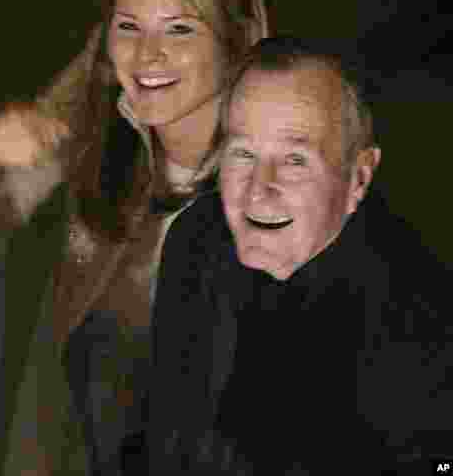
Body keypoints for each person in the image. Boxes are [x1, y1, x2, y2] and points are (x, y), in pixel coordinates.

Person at [0, 0, 270, 475]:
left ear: (235, 39)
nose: (149, 55)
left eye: (181, 29)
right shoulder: (93, 147)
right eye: (129, 27)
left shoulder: (276, 182)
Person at [146, 36, 453, 474]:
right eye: (243, 154)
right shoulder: (197, 240)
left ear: (358, 178)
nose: (257, 190)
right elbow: (166, 429)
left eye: (294, 160)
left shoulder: (425, 328)